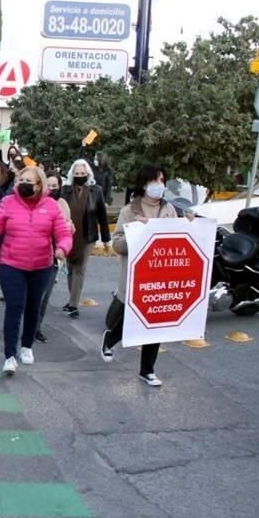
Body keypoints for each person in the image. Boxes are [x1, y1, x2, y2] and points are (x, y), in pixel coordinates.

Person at [0, 166, 72, 376]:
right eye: (21, 180)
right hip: (11, 265)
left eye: (29, 181)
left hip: (41, 266)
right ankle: (10, 356)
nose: (23, 184)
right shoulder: (8, 203)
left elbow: (64, 234)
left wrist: (63, 248)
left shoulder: (52, 206)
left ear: (40, 185)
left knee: (33, 307)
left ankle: (26, 345)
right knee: (14, 307)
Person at [101, 165, 182, 387]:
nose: (159, 185)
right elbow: (117, 243)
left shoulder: (170, 210)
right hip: (136, 277)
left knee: (155, 322)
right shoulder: (130, 211)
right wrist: (139, 232)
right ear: (144, 184)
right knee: (132, 318)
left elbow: (178, 240)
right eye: (155, 181)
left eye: (162, 180)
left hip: (160, 277)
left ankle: (147, 370)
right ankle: (111, 338)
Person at [61, 158, 111, 319]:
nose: (80, 175)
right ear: (72, 174)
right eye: (77, 173)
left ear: (88, 174)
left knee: (79, 269)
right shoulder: (66, 190)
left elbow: (102, 216)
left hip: (87, 236)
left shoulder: (95, 191)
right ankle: (72, 299)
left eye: (83, 173)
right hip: (69, 235)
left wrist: (105, 239)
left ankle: (73, 305)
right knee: (70, 269)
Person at [34, 171, 75, 343]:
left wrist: (69, 231)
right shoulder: (38, 203)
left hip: (54, 255)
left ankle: (37, 327)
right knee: (35, 295)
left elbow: (68, 229)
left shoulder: (63, 204)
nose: (52, 189)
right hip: (36, 254)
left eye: (54, 186)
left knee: (45, 296)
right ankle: (30, 325)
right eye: (48, 186)